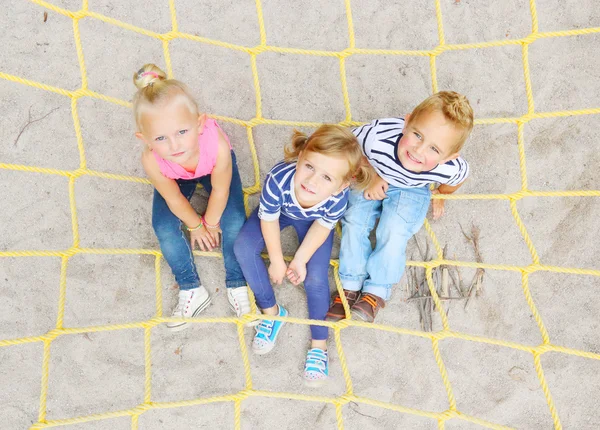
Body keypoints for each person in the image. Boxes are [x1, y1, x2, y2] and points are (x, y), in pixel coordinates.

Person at [234, 125, 373, 386]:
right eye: (309, 167)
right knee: (243, 246)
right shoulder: (279, 178)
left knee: (316, 279)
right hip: (280, 213)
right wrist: (276, 259)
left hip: (313, 224)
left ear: (343, 184)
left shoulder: (338, 198)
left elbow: (322, 227)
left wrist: (299, 259)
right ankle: (272, 312)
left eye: (327, 178)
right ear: (300, 157)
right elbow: (269, 217)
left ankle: (318, 345)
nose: (312, 181)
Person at [327, 91, 474, 323]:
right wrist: (373, 173)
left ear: (448, 157)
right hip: (373, 171)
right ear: (406, 123)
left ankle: (376, 290)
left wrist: (441, 195)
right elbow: (349, 149)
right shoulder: (377, 137)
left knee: (393, 230)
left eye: (434, 149)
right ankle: (350, 285)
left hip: (413, 188)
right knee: (354, 220)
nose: (419, 150)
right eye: (417, 135)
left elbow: (459, 178)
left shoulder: (449, 167)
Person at [133, 63, 252, 332]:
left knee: (233, 219)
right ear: (145, 139)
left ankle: (237, 283)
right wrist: (195, 226)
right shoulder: (152, 159)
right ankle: (191, 288)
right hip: (174, 176)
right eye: (161, 138)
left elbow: (220, 190)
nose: (174, 146)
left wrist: (210, 222)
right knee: (163, 225)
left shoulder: (216, 145)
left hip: (211, 167)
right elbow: (173, 198)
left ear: (199, 125)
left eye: (182, 132)